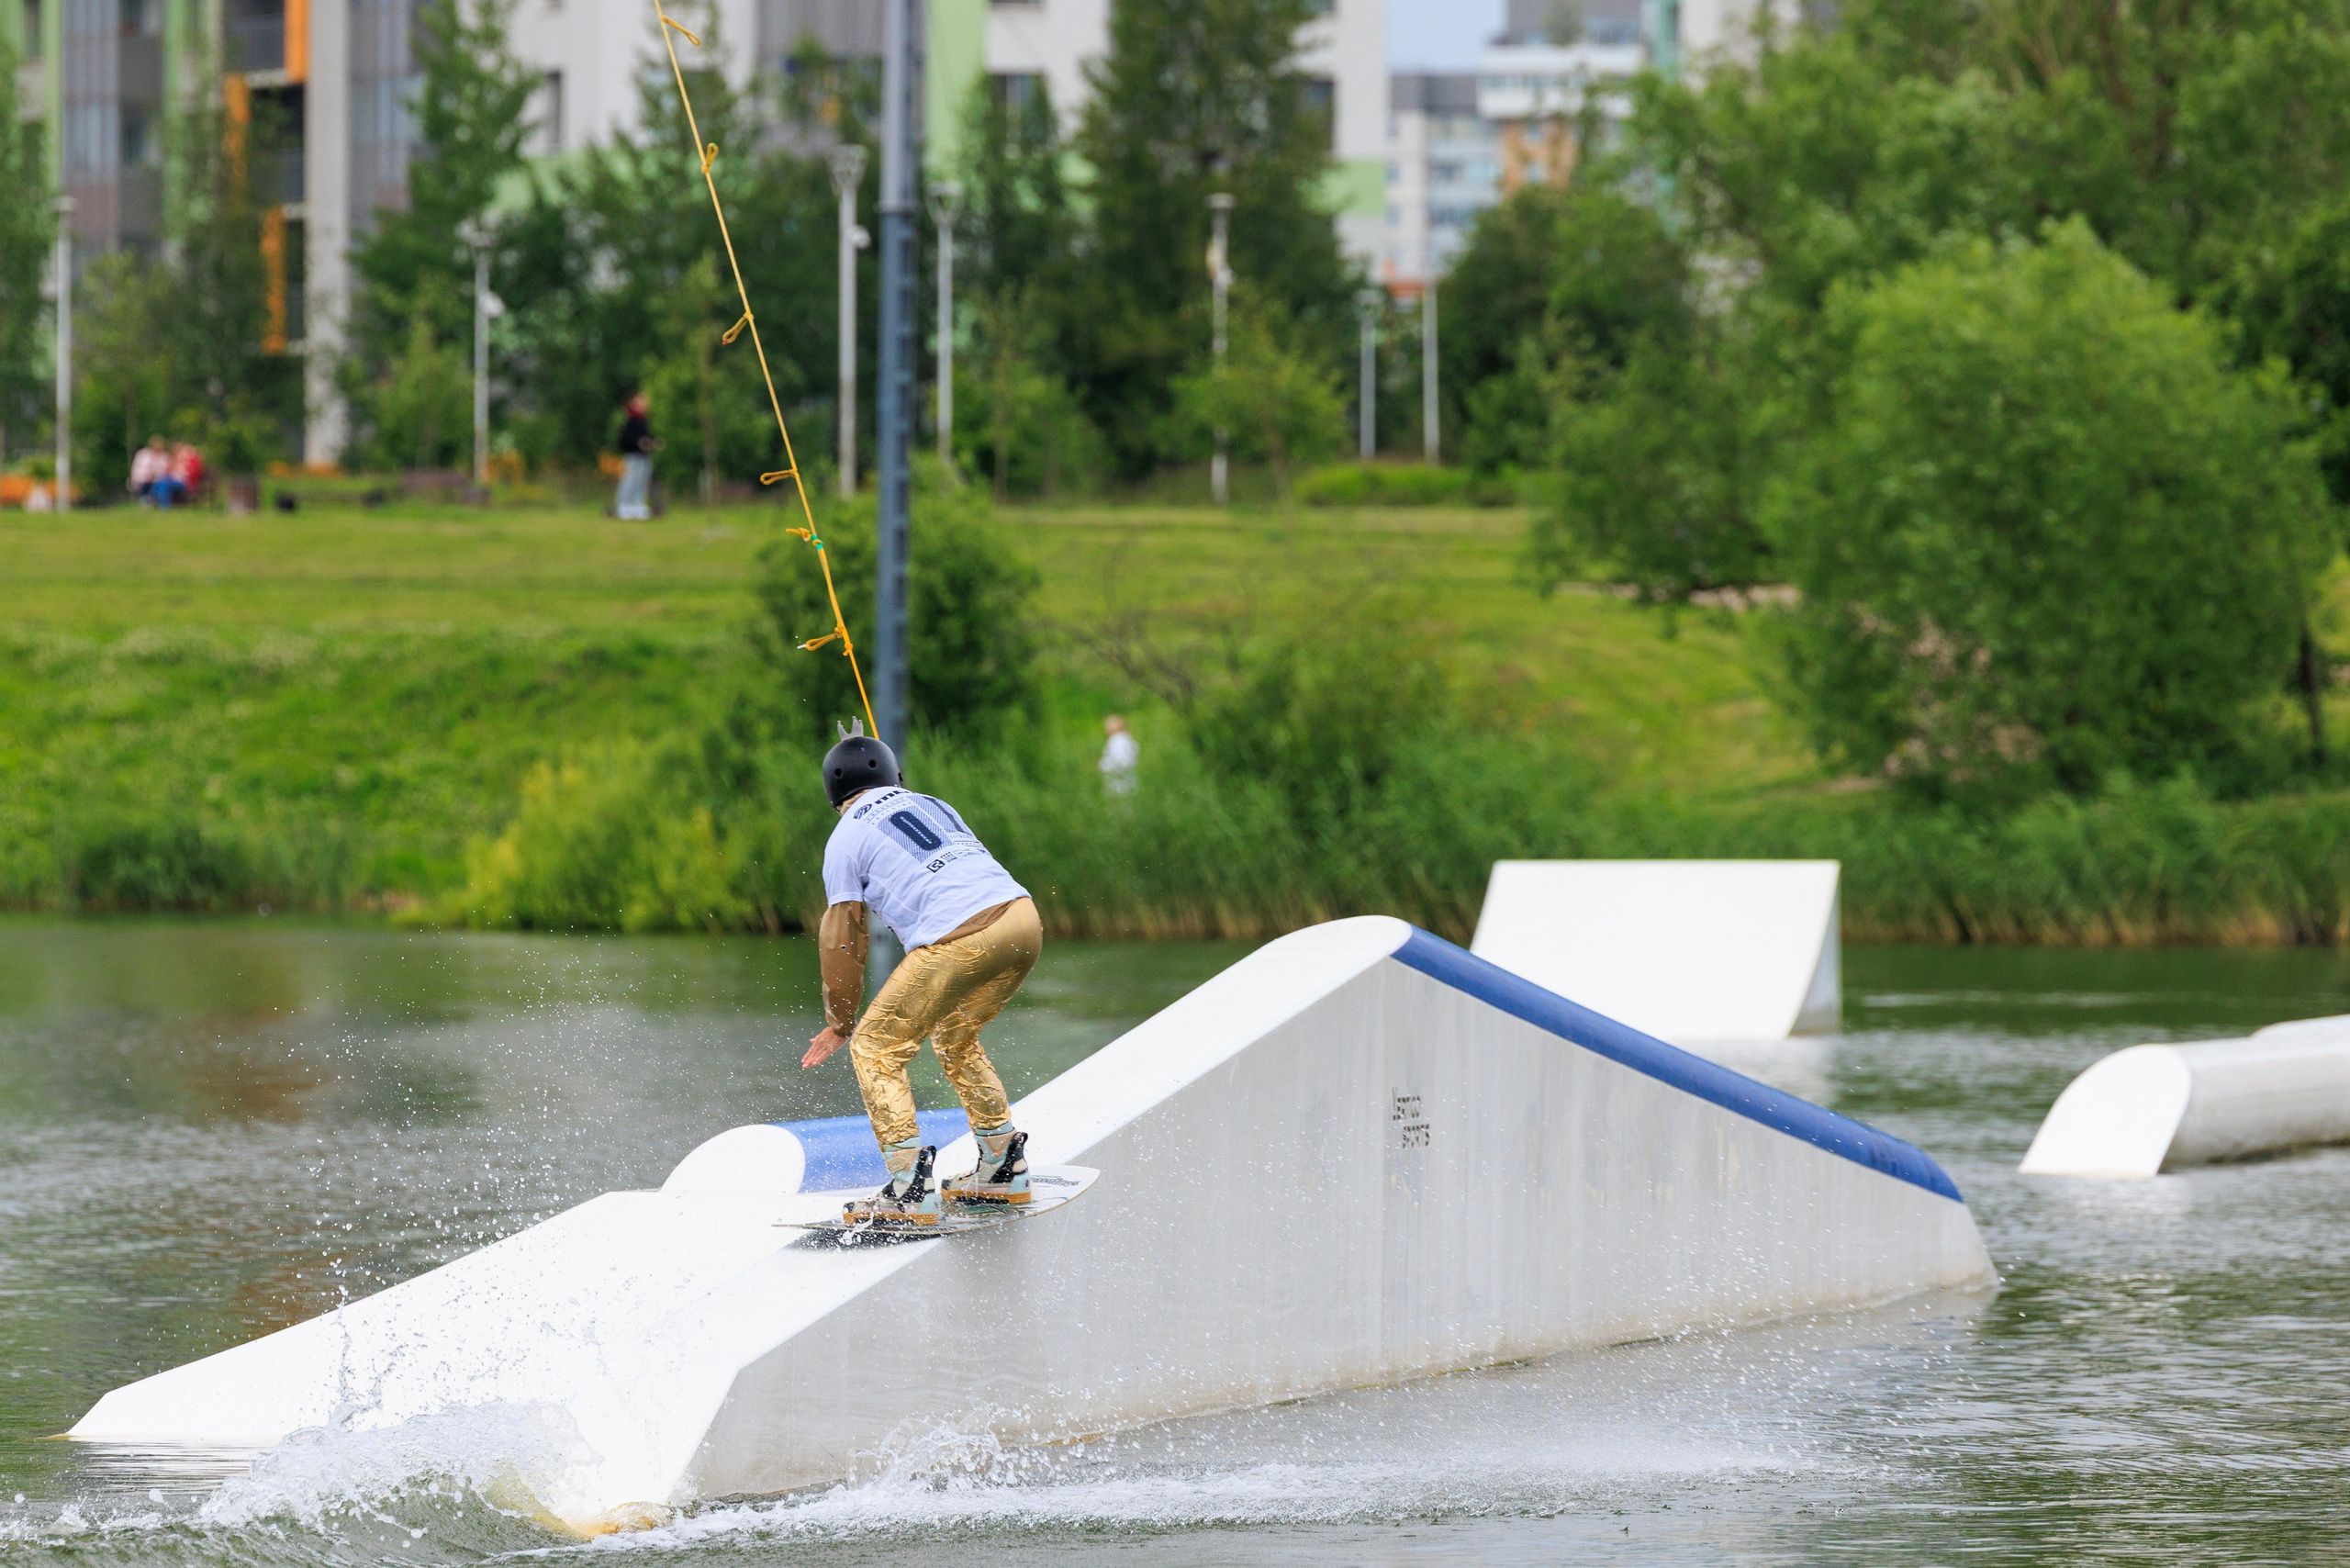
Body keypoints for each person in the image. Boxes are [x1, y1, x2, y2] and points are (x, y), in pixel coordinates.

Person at [800, 722, 1042, 1225]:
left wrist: (843, 1021)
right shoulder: (933, 803)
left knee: (875, 1048)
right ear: (894, 775)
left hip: (963, 936)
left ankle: (908, 1192)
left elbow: (843, 938)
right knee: (955, 1036)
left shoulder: (844, 838)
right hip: (1023, 919)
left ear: (834, 794)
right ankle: (1001, 1167)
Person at [613, 394, 657, 520]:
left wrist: (651, 443)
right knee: (629, 481)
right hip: (632, 456)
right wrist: (638, 443)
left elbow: (646, 437)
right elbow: (626, 440)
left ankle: (637, 506)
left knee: (641, 482)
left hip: (643, 457)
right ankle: (624, 507)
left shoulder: (643, 421)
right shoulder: (631, 421)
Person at [1099, 714, 1140, 796]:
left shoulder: (1116, 741)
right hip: (1131, 780)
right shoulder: (1129, 740)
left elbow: (1119, 761)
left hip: (1119, 784)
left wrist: (1103, 765)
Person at [129, 435, 169, 504]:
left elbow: (166, 470)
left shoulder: (164, 457)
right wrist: (147, 475)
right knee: (147, 482)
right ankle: (146, 499)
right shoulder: (142, 455)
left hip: (158, 480)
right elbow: (137, 470)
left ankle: (155, 500)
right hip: (143, 479)